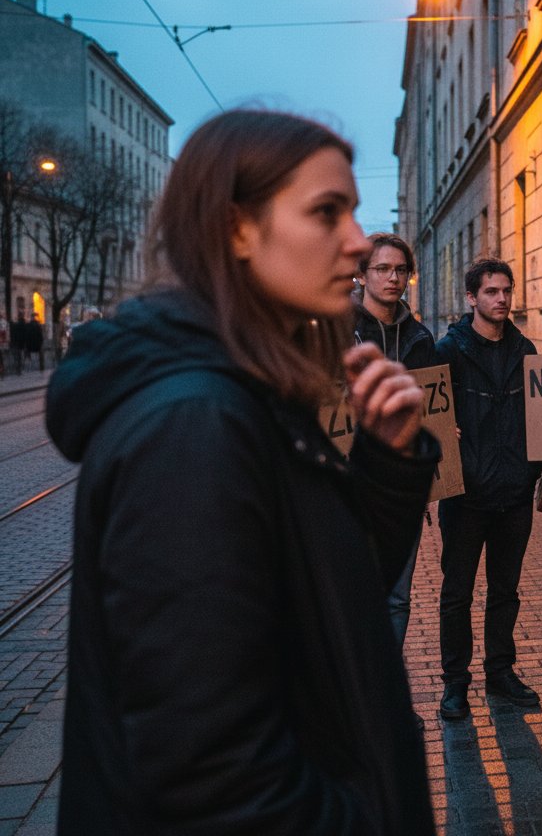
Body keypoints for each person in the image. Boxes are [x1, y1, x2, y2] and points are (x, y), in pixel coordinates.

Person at [46, 109, 440, 835]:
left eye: (353, 211)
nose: (358, 243)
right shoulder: (194, 425)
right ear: (236, 229)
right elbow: (211, 770)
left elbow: (329, 602)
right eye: (328, 212)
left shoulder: (257, 387)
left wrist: (386, 465)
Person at [434, 258, 542, 720]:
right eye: (492, 291)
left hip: (515, 491)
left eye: (506, 291)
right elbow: (430, 414)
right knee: (457, 592)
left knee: (506, 590)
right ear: (471, 298)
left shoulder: (526, 350)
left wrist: (532, 470)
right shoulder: (449, 351)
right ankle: (455, 683)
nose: (501, 299)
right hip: (465, 496)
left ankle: (501, 672)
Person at [354, 233, 436, 653]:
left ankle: (387, 699)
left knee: (396, 598)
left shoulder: (421, 339)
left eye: (400, 270)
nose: (393, 278)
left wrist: (444, 435)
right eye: (382, 269)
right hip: (345, 489)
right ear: (362, 274)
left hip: (401, 491)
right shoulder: (336, 330)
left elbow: (435, 413)